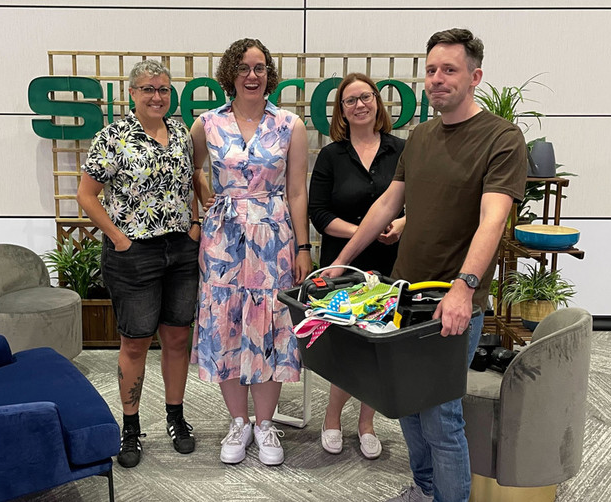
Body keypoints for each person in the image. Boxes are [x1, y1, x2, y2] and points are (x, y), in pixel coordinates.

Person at [322, 28, 527, 502]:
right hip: (404, 296)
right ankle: (425, 489)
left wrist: (464, 287)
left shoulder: (501, 138)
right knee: (408, 406)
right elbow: (386, 206)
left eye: (449, 70)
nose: (437, 79)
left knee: (441, 416)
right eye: (431, 70)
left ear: (475, 76)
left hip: (452, 302)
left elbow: (491, 221)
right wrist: (343, 261)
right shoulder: (421, 137)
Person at [189, 38, 311, 466]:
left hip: (273, 236)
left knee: (272, 325)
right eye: (243, 67)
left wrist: (303, 245)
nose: (252, 75)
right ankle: (237, 422)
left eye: (259, 67)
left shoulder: (289, 125)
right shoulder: (207, 124)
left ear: (269, 74)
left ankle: (264, 423)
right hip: (222, 238)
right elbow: (193, 170)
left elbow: (297, 191)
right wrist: (200, 200)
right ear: (230, 74)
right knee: (228, 324)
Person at [77, 60, 200, 468]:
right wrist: (118, 238)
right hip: (134, 254)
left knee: (178, 337)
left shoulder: (181, 132)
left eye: (163, 89)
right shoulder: (113, 137)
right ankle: (131, 426)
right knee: (135, 341)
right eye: (148, 89)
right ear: (132, 93)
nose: (156, 96)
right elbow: (87, 195)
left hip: (181, 250)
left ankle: (175, 417)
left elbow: (192, 180)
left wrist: (195, 223)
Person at [308, 73, 406, 460]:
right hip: (342, 265)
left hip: (391, 259)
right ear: (342, 112)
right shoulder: (332, 156)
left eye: (365, 97)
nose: (359, 105)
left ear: (378, 103)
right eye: (350, 101)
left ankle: (367, 423)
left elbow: (416, 202)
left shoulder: (401, 150)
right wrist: (364, 232)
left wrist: (400, 223)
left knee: (379, 345)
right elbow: (318, 212)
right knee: (346, 346)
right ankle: (332, 417)